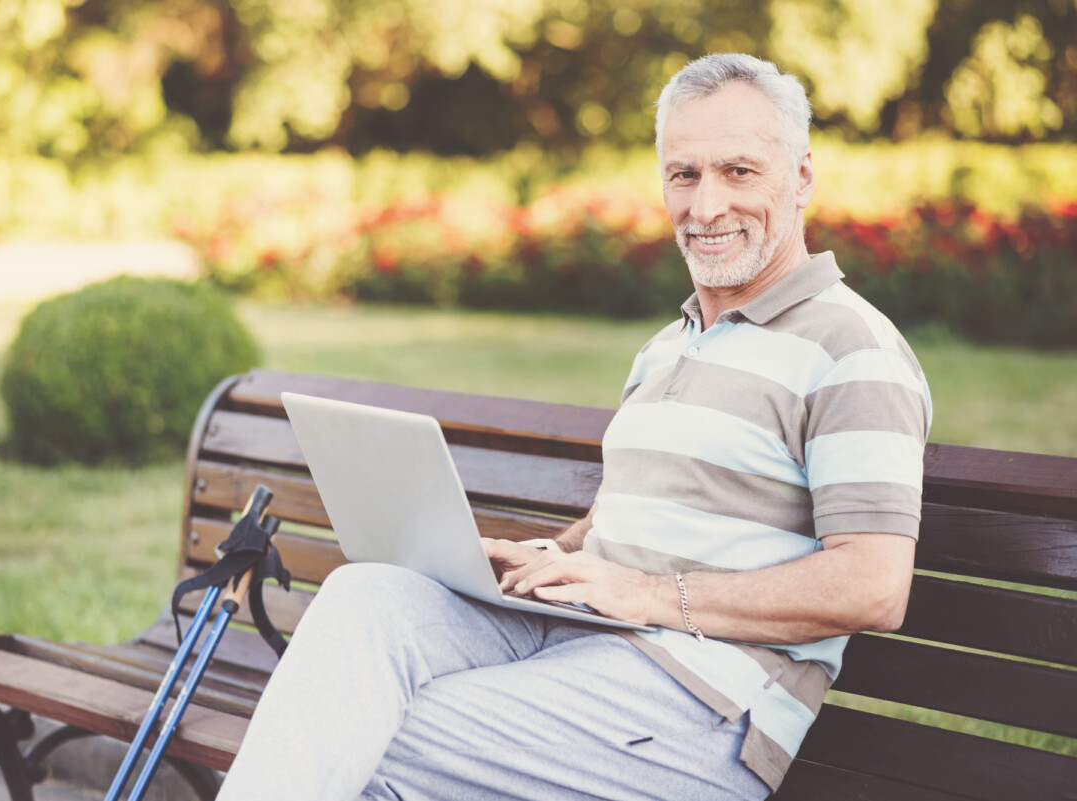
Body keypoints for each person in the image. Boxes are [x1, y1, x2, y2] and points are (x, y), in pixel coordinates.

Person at [217, 53, 932, 801]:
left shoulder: (852, 350)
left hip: (698, 705)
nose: (707, 204)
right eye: (683, 175)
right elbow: (622, 523)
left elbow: (875, 584)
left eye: (739, 172)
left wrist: (650, 594)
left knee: (366, 732)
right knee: (368, 595)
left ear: (803, 178)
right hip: (574, 637)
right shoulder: (668, 345)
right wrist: (538, 556)